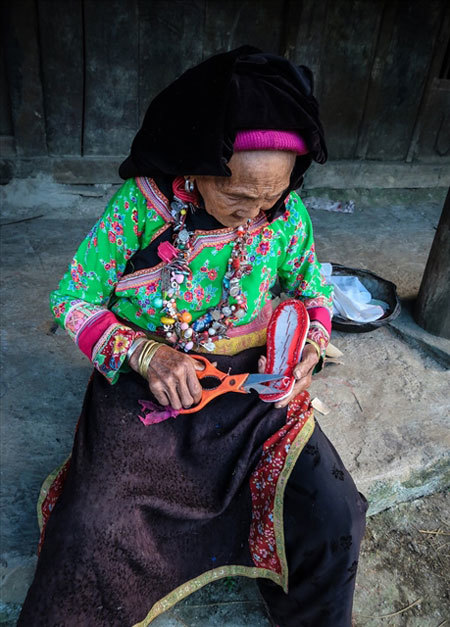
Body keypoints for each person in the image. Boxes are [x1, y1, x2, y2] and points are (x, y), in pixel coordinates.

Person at [18, 46, 367, 626]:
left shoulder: (285, 213)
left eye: (272, 194)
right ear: (197, 167)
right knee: (95, 528)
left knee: (337, 515)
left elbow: (312, 289)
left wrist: (308, 341)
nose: (256, 212)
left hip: (251, 388)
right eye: (237, 194)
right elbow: (72, 301)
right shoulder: (140, 209)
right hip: (144, 384)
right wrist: (145, 352)